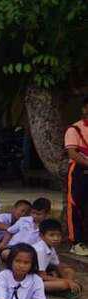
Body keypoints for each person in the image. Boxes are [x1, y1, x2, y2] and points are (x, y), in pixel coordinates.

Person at [64, 96, 88, 256]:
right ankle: (77, 242)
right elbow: (72, 153)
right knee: (77, 205)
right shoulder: (74, 129)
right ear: (84, 108)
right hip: (79, 172)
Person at [34, 219, 82, 298]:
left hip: (42, 275)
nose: (56, 238)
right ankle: (60, 290)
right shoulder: (40, 250)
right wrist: (67, 281)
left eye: (58, 235)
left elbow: (58, 265)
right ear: (42, 236)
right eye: (51, 235)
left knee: (69, 271)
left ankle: (68, 287)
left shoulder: (51, 247)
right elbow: (41, 276)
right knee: (63, 284)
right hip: (32, 280)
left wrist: (68, 279)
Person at [0, 197, 51, 262]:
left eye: (38, 214)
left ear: (47, 214)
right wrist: (3, 243)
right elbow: (9, 231)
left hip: (31, 252)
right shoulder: (23, 220)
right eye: (33, 213)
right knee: (5, 254)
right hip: (13, 248)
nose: (35, 216)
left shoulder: (48, 227)